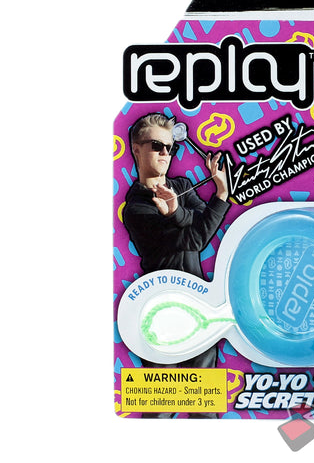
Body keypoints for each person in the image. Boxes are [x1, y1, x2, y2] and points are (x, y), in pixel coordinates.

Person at [122, 112, 230, 418]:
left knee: (204, 412)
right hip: (157, 314)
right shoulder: (136, 208)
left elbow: (201, 228)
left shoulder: (182, 184)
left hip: (199, 310)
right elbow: (196, 238)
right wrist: (217, 197)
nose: (165, 153)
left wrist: (178, 212)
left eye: (171, 147)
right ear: (136, 149)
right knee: (160, 411)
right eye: (157, 146)